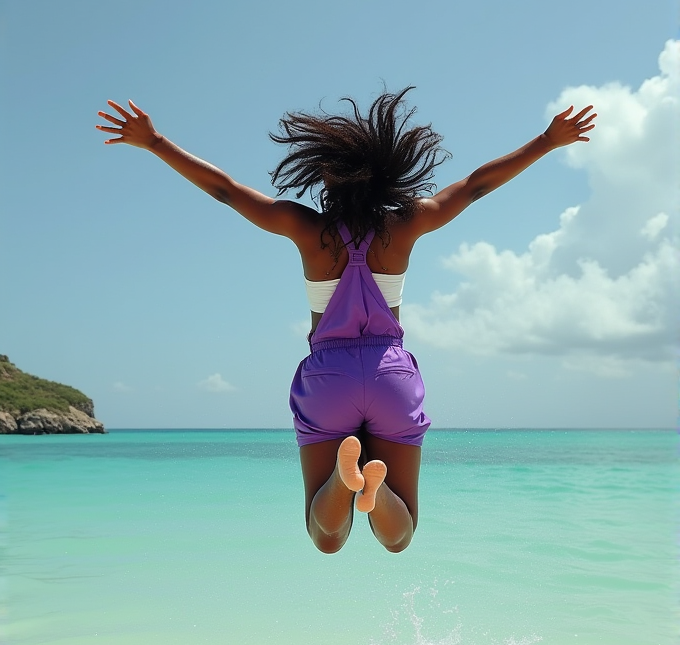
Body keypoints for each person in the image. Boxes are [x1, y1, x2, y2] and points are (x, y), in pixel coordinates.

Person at [96, 90, 595, 555]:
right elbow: (475, 186)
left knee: (326, 538)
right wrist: (547, 141)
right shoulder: (407, 223)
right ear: (387, 174)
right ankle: (372, 488)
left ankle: (343, 478)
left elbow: (226, 191)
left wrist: (155, 142)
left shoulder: (305, 227)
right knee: (399, 539)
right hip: (389, 374)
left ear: (325, 176)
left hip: (328, 378)